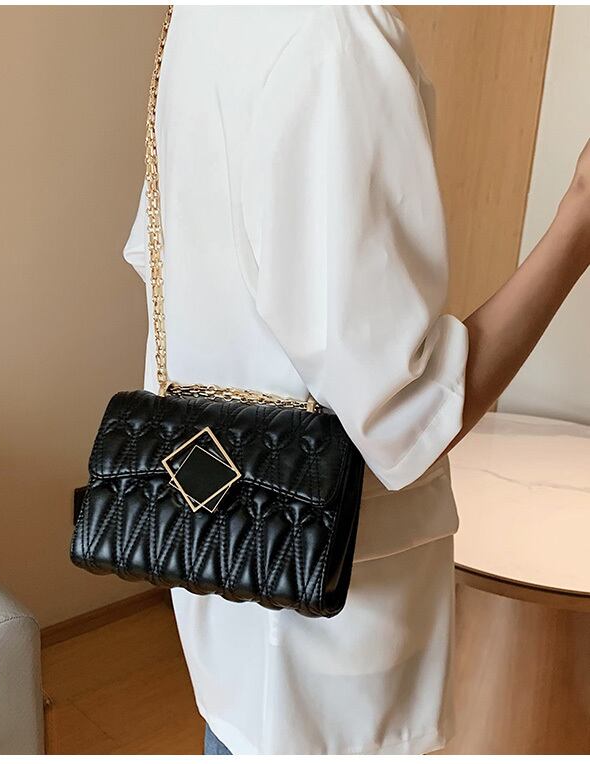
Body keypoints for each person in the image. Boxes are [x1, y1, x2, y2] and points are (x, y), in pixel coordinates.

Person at [121, 6, 590, 756]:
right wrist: (576, 224)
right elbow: (406, 416)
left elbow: (173, 275)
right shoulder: (334, 36)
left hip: (221, 576)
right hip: (332, 632)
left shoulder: (200, 14)